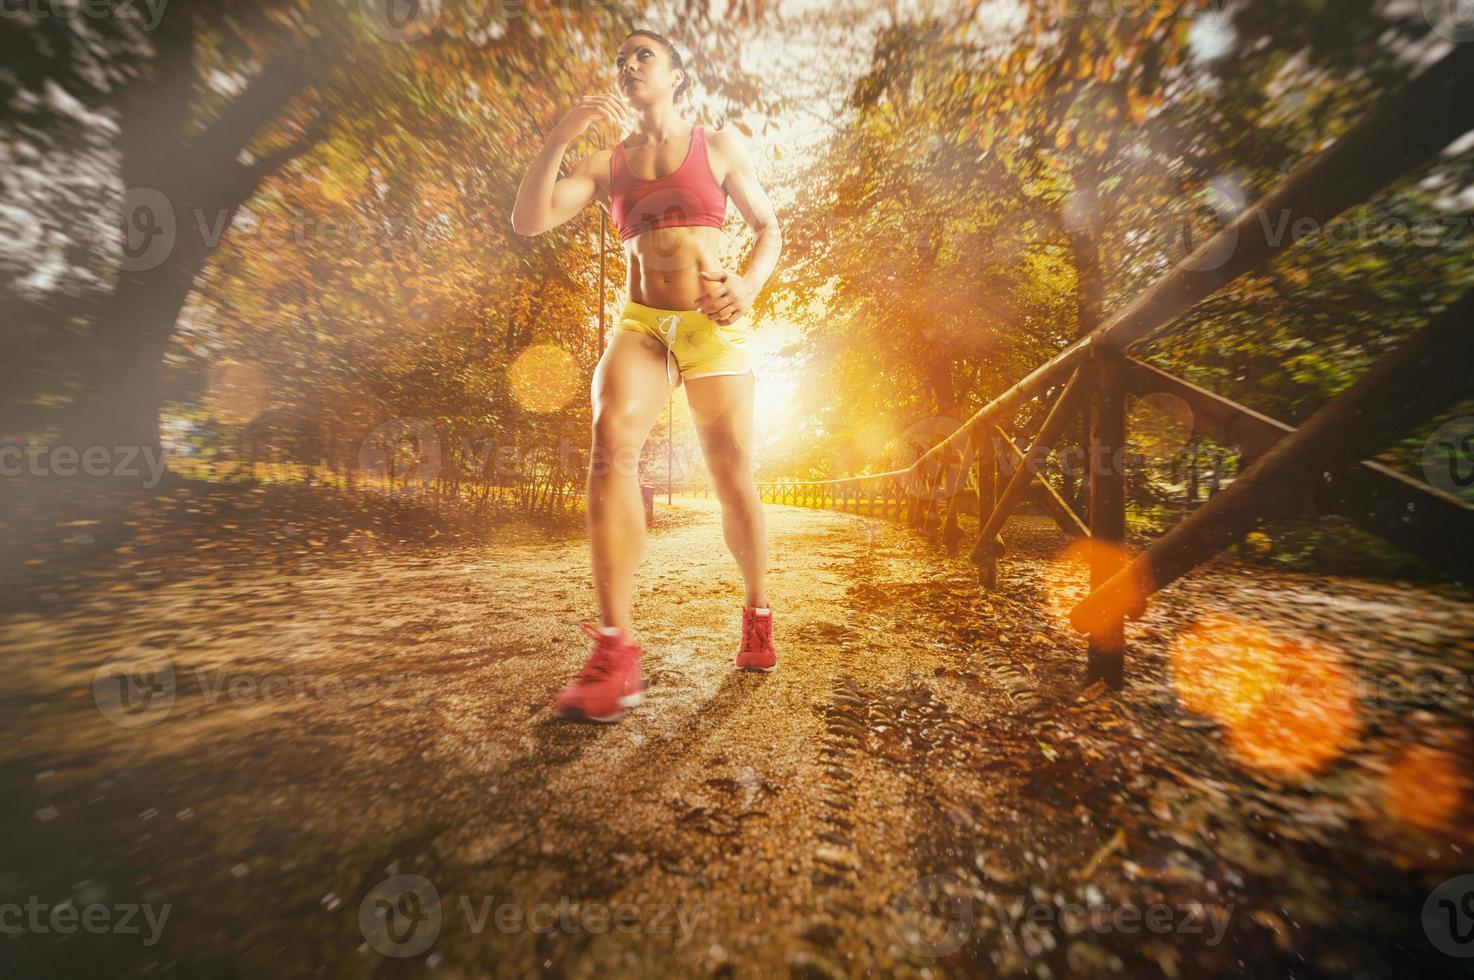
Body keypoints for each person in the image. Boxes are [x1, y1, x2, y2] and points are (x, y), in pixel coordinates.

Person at [512, 29, 784, 722]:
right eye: (621, 59)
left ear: (676, 75)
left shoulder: (717, 145)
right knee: (610, 443)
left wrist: (748, 286)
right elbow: (529, 218)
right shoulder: (607, 164)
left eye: (643, 56)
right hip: (642, 326)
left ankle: (757, 609)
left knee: (732, 476)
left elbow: (770, 228)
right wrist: (564, 131)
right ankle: (615, 649)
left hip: (712, 326)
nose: (628, 66)